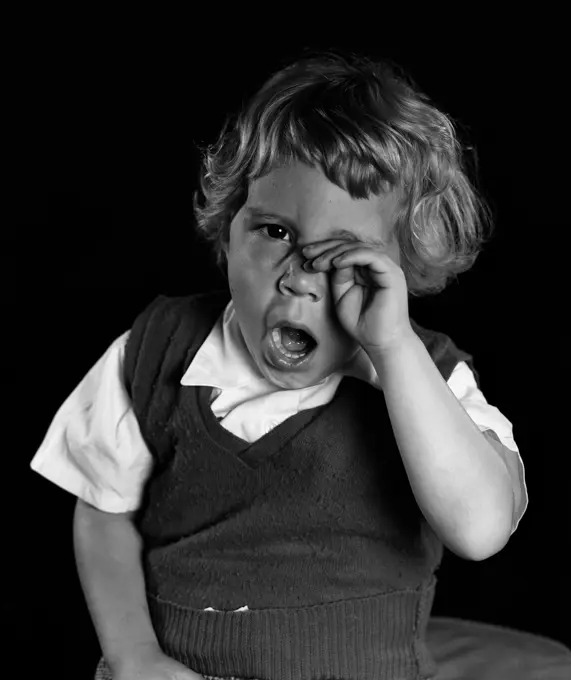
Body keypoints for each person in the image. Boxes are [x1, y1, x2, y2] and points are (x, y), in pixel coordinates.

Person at [30, 47, 528, 680]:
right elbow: (103, 511)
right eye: (276, 232)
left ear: (402, 268)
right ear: (229, 223)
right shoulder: (154, 352)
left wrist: (395, 349)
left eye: (345, 254)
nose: (299, 280)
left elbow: (481, 530)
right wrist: (135, 658)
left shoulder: (426, 377)